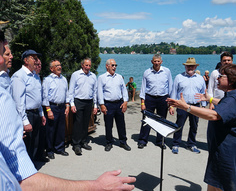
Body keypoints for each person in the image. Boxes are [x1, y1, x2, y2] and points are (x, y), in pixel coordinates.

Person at [0, 31, 136, 190]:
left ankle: (55, 151)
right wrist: (61, 106)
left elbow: (81, 92)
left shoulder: (58, 77)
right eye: (56, 66)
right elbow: (26, 99)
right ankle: (56, 151)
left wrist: (83, 105)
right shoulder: (21, 77)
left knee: (58, 131)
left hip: (65, 106)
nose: (59, 67)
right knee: (49, 134)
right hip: (52, 108)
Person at [167, 64, 236, 191]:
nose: (217, 78)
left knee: (222, 186)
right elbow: (225, 105)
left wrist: (186, 107)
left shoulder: (234, 99)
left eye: (221, 76)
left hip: (227, 153)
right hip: (220, 150)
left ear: (231, 80)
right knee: (214, 184)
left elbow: (214, 115)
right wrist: (211, 99)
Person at [11, 49, 47, 162]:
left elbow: (37, 97)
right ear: (26, 60)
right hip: (27, 115)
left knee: (34, 143)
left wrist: (41, 114)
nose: (37, 61)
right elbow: (19, 101)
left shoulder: (35, 76)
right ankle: (25, 169)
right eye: (34, 58)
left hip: (36, 113)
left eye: (37, 58)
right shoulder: (19, 76)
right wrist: (25, 121)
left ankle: (31, 165)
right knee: (27, 144)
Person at [170, 57, 206, 154]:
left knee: (194, 126)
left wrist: (203, 105)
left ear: (195, 66)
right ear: (185, 66)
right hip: (182, 105)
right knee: (179, 125)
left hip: (195, 106)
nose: (190, 68)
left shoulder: (200, 79)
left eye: (192, 66)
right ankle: (176, 144)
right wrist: (171, 106)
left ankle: (191, 144)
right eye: (188, 66)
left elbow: (203, 93)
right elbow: (174, 92)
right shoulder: (179, 77)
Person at [138, 54, 174, 149]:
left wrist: (171, 104)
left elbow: (171, 87)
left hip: (163, 98)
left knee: (162, 121)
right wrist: (142, 103)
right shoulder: (147, 72)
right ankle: (142, 140)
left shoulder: (167, 72)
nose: (157, 63)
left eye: (158, 61)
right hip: (150, 98)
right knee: (147, 120)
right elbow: (143, 88)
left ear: (161, 62)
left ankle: (160, 141)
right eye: (155, 61)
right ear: (152, 61)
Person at [97, 59, 131, 152]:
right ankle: (109, 142)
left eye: (115, 65)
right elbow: (99, 92)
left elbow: (124, 90)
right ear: (107, 66)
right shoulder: (102, 78)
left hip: (119, 104)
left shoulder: (119, 77)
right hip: (108, 104)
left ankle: (123, 142)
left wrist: (125, 102)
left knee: (121, 124)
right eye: (112, 65)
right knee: (108, 125)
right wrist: (102, 105)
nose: (114, 67)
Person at [69, 58, 98, 155]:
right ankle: (76, 144)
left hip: (89, 102)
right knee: (78, 123)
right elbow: (71, 90)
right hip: (78, 101)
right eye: (86, 65)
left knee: (86, 123)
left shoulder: (93, 76)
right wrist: (72, 104)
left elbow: (95, 92)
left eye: (89, 65)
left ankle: (83, 141)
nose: (88, 67)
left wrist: (95, 105)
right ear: (82, 65)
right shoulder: (76, 75)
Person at [42, 60, 70, 159]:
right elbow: (44, 96)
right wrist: (48, 110)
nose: (59, 67)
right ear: (51, 68)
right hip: (52, 106)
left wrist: (67, 105)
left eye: (60, 65)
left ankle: (59, 148)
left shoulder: (64, 79)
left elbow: (67, 93)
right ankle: (49, 150)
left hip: (62, 106)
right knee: (50, 129)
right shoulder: (47, 80)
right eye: (56, 65)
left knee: (61, 129)